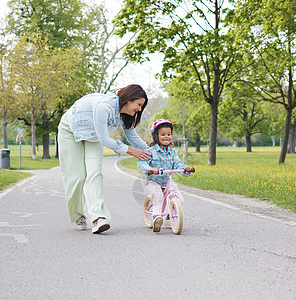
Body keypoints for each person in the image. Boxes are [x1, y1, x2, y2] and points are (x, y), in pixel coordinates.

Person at [58, 84, 151, 234]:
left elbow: (132, 136)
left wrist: (150, 151)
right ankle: (78, 215)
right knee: (77, 177)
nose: (139, 109)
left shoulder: (126, 115)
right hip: (70, 130)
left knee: (95, 173)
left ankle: (98, 218)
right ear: (129, 100)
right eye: (139, 104)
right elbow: (104, 138)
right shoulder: (104, 107)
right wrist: (130, 151)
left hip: (92, 137)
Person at [137, 119, 195, 232]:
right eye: (163, 134)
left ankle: (169, 218)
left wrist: (185, 169)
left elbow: (178, 164)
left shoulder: (173, 153)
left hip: (168, 181)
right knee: (158, 197)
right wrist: (149, 169)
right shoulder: (150, 151)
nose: (166, 136)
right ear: (156, 136)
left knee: (180, 199)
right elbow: (141, 162)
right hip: (154, 181)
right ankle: (156, 218)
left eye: (169, 134)